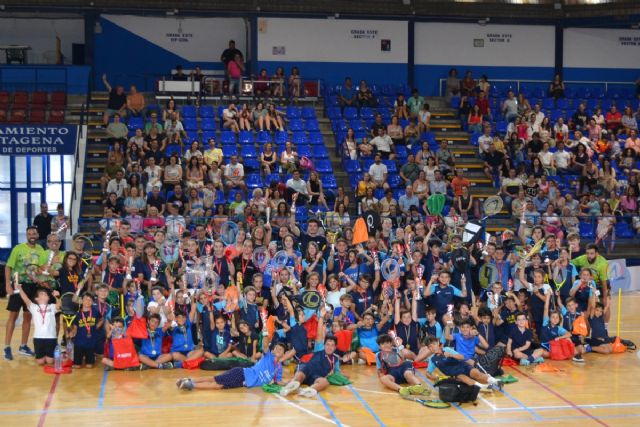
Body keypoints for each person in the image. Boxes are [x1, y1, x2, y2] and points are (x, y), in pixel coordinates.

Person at [177, 330, 286, 391]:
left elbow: (278, 381)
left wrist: (293, 384)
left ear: (283, 354)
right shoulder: (268, 356)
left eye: (280, 349)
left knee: (218, 384)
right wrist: (266, 333)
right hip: (242, 374)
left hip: (244, 383)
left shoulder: (278, 368)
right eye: (276, 348)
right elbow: (266, 345)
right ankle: (190, 382)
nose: (277, 350)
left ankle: (189, 382)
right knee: (215, 381)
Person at [4, 226, 44, 360]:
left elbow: (41, 269)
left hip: (32, 287)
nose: (32, 235)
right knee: (13, 316)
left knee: (28, 317)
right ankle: (7, 347)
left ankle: (23, 346)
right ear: (26, 235)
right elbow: (8, 266)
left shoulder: (40, 250)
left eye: (34, 233)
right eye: (29, 233)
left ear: (37, 235)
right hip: (18, 285)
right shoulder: (18, 248)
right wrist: (8, 286)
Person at [424, 337, 502, 392]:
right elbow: (428, 373)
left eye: (433, 344)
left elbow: (461, 357)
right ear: (428, 348)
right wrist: (433, 378)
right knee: (462, 377)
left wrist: (451, 355)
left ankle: (494, 381)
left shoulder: (447, 349)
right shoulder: (432, 359)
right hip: (455, 374)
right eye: (430, 347)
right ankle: (483, 387)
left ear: (437, 342)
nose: (432, 348)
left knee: (476, 373)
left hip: (462, 366)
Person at [279, 336, 344, 398]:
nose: (329, 347)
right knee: (299, 376)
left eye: (332, 345)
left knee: (325, 382)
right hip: (306, 369)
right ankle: (289, 387)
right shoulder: (319, 348)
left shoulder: (335, 359)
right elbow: (319, 334)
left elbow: (337, 372)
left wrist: (339, 376)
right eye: (327, 344)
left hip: (316, 377)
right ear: (324, 345)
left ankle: (306, 391)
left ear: (335, 347)